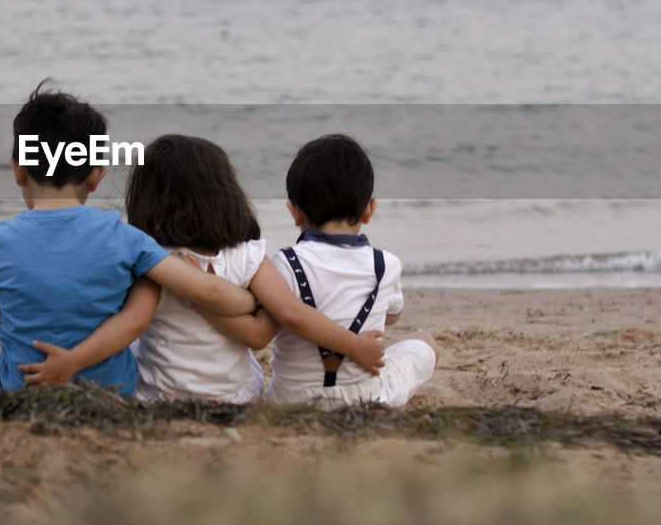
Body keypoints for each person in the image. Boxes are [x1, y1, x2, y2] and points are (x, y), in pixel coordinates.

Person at [0, 85, 257, 415]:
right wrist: (245, 301)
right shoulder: (125, 237)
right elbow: (206, 291)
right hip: (111, 400)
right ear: (95, 176)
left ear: (18, 171)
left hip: (19, 398)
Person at [20, 134, 387, 403]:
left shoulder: (153, 261)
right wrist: (354, 345)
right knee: (253, 367)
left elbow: (131, 323)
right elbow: (274, 325)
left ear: (147, 199)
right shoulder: (248, 255)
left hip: (159, 398)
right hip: (235, 399)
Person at [266, 134, 438, 407]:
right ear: (369, 210)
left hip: (290, 401)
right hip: (367, 399)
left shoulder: (285, 262)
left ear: (294, 212)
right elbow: (392, 317)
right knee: (425, 342)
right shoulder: (385, 265)